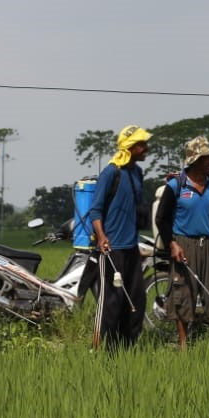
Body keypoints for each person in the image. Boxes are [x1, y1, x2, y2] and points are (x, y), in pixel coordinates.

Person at [155, 136, 209, 349]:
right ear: (194, 160)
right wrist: (172, 244)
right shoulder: (176, 185)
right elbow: (161, 218)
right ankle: (184, 344)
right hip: (184, 245)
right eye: (207, 157)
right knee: (183, 294)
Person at [87, 125, 152, 350]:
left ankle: (125, 350)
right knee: (110, 303)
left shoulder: (137, 173)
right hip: (111, 249)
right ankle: (96, 349)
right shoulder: (111, 173)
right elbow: (95, 211)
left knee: (135, 301)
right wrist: (102, 237)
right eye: (141, 145)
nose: (146, 148)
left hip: (131, 247)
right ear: (130, 147)